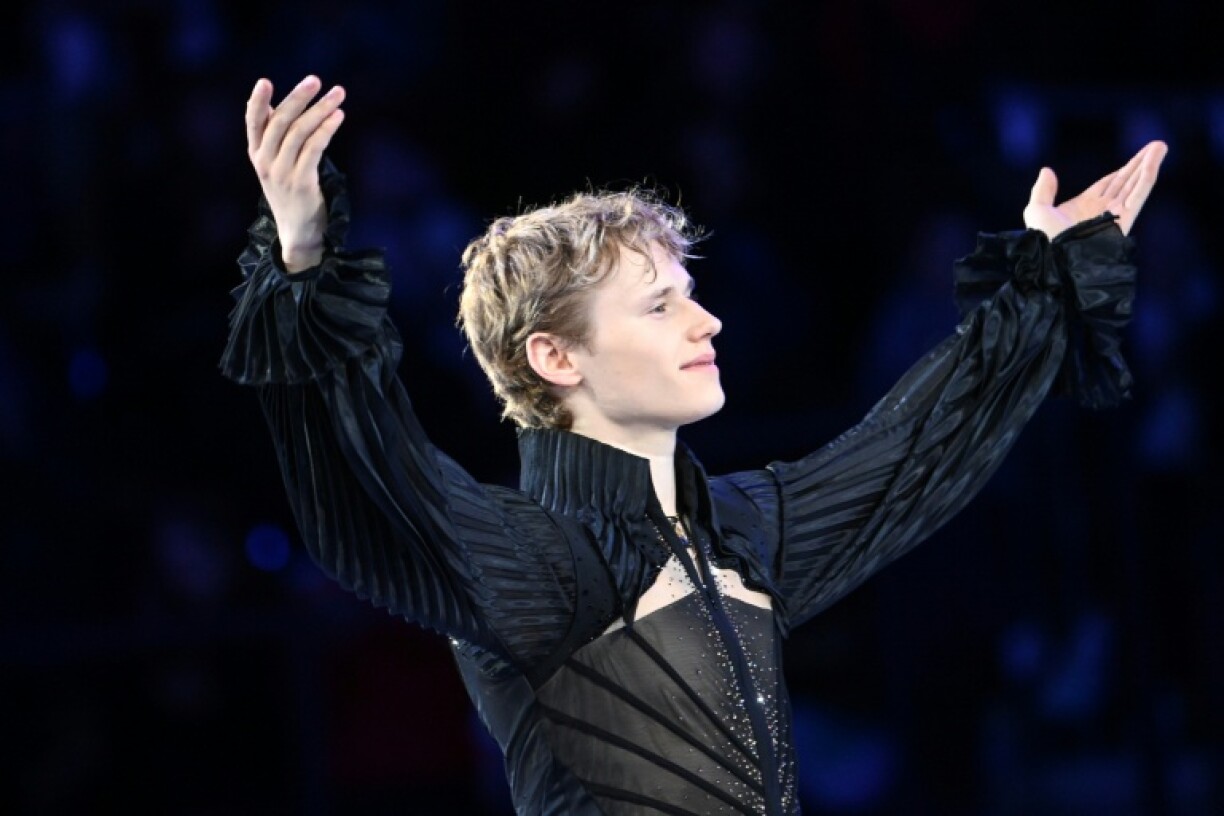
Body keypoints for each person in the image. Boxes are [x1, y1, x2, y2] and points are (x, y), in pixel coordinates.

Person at [221, 74, 1166, 815]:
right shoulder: (539, 563)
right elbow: (375, 479)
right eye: (660, 304)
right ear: (555, 356)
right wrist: (304, 267)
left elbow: (911, 451)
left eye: (690, 291)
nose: (706, 320)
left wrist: (1044, 279)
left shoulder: (744, 528)